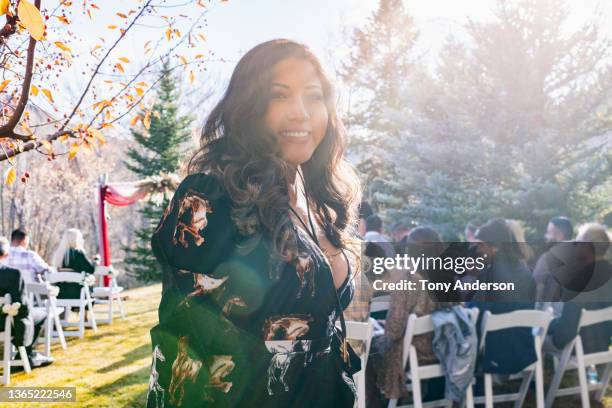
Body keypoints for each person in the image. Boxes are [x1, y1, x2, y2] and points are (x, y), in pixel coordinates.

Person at [147, 39, 362, 408]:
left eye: (314, 96)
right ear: (250, 108)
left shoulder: (318, 202)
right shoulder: (210, 197)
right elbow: (182, 347)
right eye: (280, 95)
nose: (302, 112)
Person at [366, 227, 461, 407]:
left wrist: (383, 327)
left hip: (416, 353)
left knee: (370, 349)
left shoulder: (409, 281)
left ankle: (379, 402)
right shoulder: (449, 277)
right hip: (445, 348)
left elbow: (394, 331)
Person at [545, 223, 612, 354]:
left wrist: (547, 325)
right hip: (604, 346)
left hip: (580, 349)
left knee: (536, 339)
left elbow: (564, 335)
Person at [0, 237, 53, 368]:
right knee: (42, 314)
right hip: (5, 323)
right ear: (6, 254)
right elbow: (22, 307)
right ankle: (25, 355)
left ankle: (27, 355)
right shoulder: (13, 274)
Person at [533, 216, 574, 303]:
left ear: (559, 235)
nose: (545, 236)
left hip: (550, 312)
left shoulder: (547, 259)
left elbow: (534, 286)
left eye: (548, 232)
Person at [51, 228, 95, 300]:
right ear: (76, 240)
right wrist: (95, 262)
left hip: (60, 294)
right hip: (78, 294)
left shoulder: (58, 254)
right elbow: (91, 269)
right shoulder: (78, 254)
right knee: (90, 281)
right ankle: (85, 308)